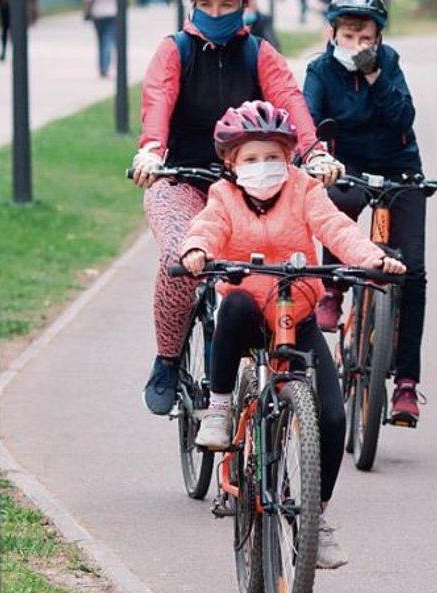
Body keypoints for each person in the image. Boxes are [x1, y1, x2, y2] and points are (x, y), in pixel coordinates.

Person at [180, 101, 405, 568]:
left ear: (290, 157)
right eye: (251, 159)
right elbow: (207, 228)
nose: (264, 168)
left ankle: (314, 519)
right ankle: (221, 409)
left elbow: (336, 229)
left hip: (295, 313)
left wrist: (372, 258)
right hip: (246, 312)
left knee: (333, 417)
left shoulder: (304, 191)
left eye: (274, 157)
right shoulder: (223, 196)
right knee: (236, 304)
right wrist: (197, 250)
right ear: (231, 164)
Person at [130, 0, 344, 418]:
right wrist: (152, 152)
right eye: (206, 2)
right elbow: (157, 101)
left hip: (243, 186)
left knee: (270, 264)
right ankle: (168, 360)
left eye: (227, 2)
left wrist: (314, 153)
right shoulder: (175, 50)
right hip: (180, 181)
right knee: (181, 255)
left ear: (244, 5)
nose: (216, 10)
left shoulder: (259, 54)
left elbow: (290, 102)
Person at [303, 0, 429, 427]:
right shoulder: (320, 71)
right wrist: (319, 158)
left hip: (399, 167)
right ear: (334, 35)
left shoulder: (389, 64)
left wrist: (375, 75)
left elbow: (403, 117)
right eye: (349, 36)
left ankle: (407, 385)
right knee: (339, 204)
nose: (357, 45)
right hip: (346, 166)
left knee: (412, 271)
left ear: (378, 41)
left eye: (366, 39)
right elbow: (310, 120)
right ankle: (333, 289)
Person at [84, 0, 117, 78]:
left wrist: (87, 12)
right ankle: (104, 68)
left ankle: (103, 68)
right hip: (112, 13)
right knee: (107, 41)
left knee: (102, 41)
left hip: (98, 14)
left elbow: (88, 2)